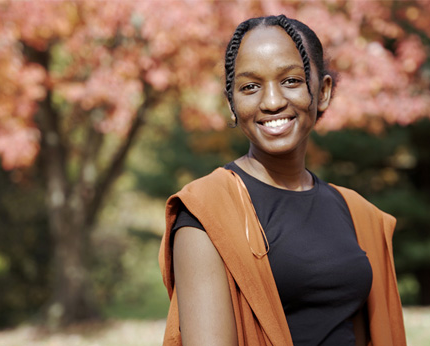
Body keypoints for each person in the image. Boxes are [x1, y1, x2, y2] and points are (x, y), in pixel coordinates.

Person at [159, 14, 406, 346]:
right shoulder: (206, 213)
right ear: (232, 103)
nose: (272, 102)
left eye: (291, 81)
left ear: (323, 92)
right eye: (250, 87)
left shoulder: (355, 212)